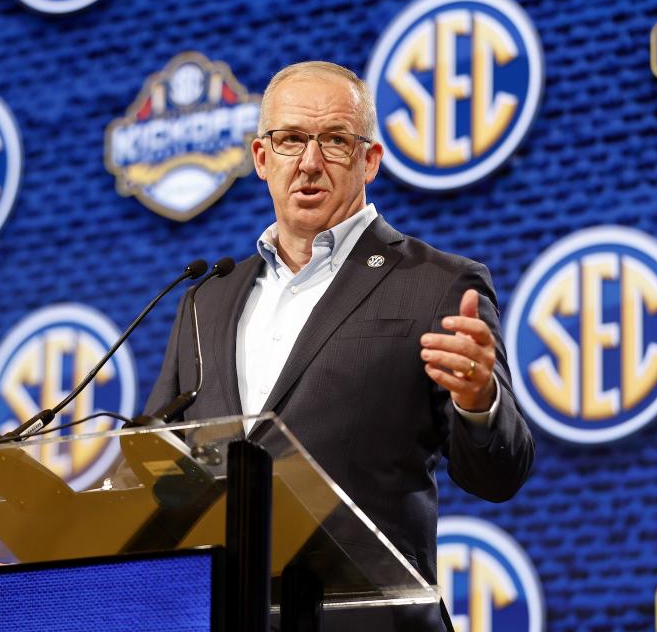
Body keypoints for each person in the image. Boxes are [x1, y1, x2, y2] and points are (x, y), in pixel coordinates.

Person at [145, 61, 534, 631]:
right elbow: (159, 467)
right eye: (290, 140)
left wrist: (479, 402)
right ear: (260, 157)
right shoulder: (207, 298)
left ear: (369, 160)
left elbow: (499, 475)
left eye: (334, 140)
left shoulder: (438, 285)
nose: (309, 162)